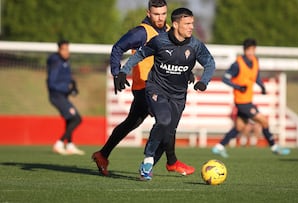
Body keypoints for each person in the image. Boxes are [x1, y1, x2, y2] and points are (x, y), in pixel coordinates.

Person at [92, 0, 195, 177]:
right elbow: (118, 48)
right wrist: (117, 73)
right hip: (147, 87)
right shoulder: (141, 32)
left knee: (132, 122)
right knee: (167, 122)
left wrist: (187, 71)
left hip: (161, 85)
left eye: (163, 13)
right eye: (156, 14)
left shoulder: (169, 30)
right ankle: (171, 162)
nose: (161, 18)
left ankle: (102, 155)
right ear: (149, 13)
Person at [117, 7, 216, 180]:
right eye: (187, 24)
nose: (191, 27)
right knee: (163, 120)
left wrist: (203, 81)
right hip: (156, 89)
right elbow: (139, 55)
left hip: (178, 95)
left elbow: (210, 63)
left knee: (168, 132)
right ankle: (148, 158)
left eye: (192, 23)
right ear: (176, 24)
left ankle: (147, 166)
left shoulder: (195, 45)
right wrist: (124, 71)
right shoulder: (159, 41)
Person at [212, 38, 290, 158]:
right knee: (264, 121)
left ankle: (219, 147)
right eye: (248, 50)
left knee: (239, 127)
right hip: (242, 102)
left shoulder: (255, 61)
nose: (250, 52)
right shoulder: (237, 64)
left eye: (252, 50)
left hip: (248, 100)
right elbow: (225, 79)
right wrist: (238, 86)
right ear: (244, 50)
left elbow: (256, 76)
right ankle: (274, 147)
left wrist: (262, 86)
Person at [47, 39, 84, 155]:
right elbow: (52, 83)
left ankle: (70, 145)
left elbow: (67, 78)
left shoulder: (65, 62)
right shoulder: (56, 62)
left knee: (71, 118)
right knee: (76, 118)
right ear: (59, 50)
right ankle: (59, 143)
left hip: (62, 95)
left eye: (68, 49)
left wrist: (73, 85)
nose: (67, 52)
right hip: (56, 95)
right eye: (64, 49)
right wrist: (67, 88)